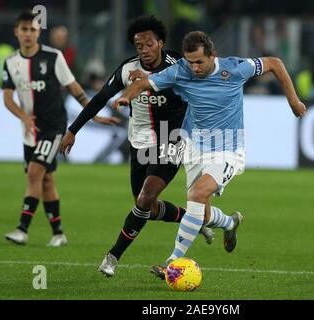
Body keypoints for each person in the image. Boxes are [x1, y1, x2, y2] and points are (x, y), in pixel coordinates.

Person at [112, 31, 306, 279]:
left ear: (213, 56)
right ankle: (229, 222)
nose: (194, 68)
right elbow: (142, 84)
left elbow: (275, 64)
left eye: (199, 62)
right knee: (201, 214)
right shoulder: (180, 70)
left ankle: (173, 261)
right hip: (194, 148)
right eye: (190, 62)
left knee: (197, 193)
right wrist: (126, 97)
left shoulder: (235, 69)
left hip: (227, 149)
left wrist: (293, 101)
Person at [60, 16, 214, 277]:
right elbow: (100, 99)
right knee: (148, 208)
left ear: (160, 43)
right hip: (139, 143)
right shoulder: (126, 69)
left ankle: (112, 257)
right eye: (138, 45)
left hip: (171, 138)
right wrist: (73, 130)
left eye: (148, 44)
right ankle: (193, 220)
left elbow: (202, 86)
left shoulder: (177, 64)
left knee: (144, 198)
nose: (143, 49)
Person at [2, 11, 116, 247]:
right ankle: (58, 233)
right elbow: (7, 98)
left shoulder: (54, 57)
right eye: (24, 29)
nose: (28, 34)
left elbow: (74, 88)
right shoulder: (11, 62)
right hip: (29, 131)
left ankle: (22, 229)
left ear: (38, 32)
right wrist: (23, 116)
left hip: (53, 127)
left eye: (32, 30)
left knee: (35, 172)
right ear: (16, 31)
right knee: (45, 180)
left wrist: (92, 114)